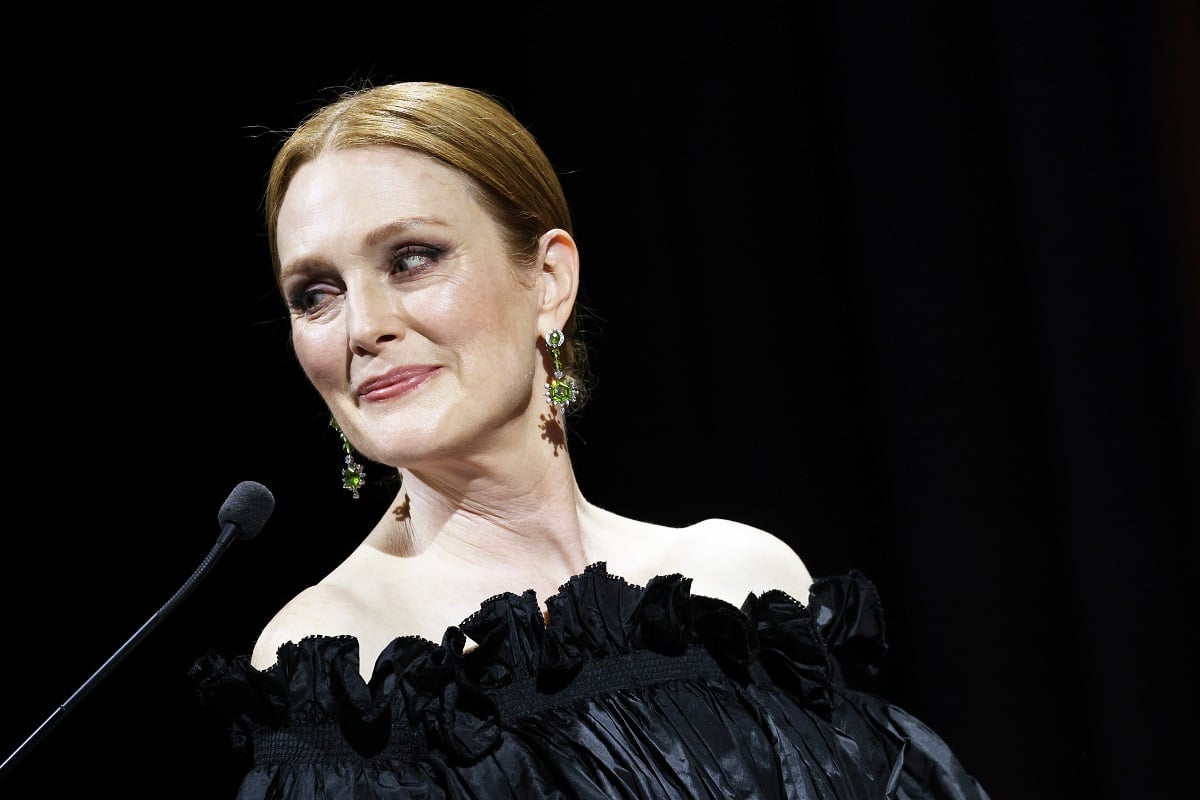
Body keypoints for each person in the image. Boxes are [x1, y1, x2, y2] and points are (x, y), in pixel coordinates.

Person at [190, 80, 991, 800]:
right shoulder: (341, 665)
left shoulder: (742, 584)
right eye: (316, 294)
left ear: (548, 281)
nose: (363, 328)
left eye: (412, 259)